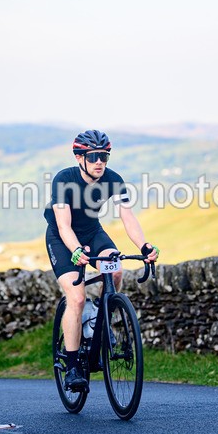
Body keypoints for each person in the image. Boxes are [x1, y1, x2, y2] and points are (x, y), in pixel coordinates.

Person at [43, 130, 159, 391]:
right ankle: (73, 366)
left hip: (93, 232)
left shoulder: (113, 179)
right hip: (62, 238)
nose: (100, 162)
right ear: (79, 158)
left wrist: (144, 245)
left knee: (116, 270)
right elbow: (63, 225)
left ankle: (99, 315)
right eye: (94, 156)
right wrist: (75, 250)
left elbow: (127, 217)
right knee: (76, 297)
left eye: (104, 156)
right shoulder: (65, 179)